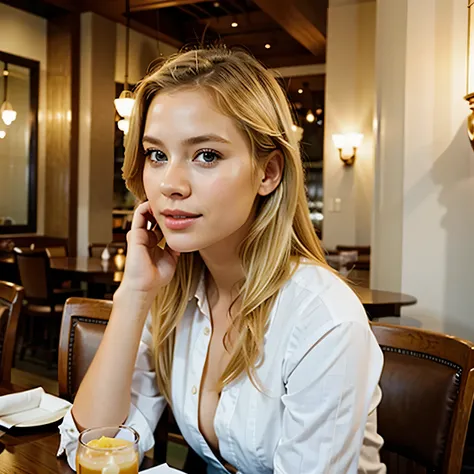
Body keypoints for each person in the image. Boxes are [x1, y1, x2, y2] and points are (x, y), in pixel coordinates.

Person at [58, 47, 386, 474]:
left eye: (206, 155)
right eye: (157, 155)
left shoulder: (323, 319)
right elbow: (92, 446)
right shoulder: (173, 291)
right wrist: (135, 295)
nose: (170, 184)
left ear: (268, 173)